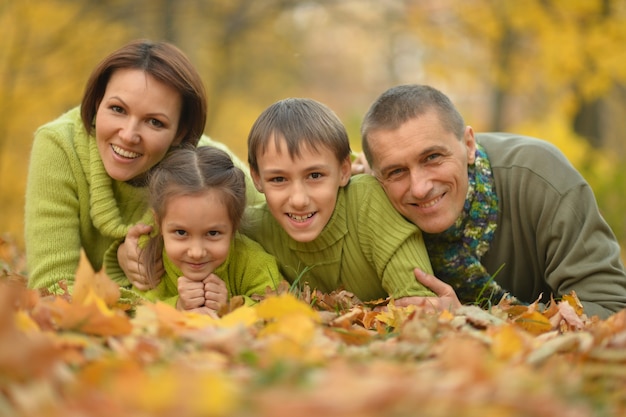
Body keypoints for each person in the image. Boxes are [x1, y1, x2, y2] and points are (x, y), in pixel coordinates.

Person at [359, 83, 626, 319]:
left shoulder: (542, 178)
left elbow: (609, 307)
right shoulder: (372, 200)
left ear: (469, 145)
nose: (419, 188)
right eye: (396, 171)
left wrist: (474, 318)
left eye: (432, 158)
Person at [24, 39, 260, 295]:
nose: (128, 135)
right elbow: (51, 289)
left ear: (180, 133)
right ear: (96, 103)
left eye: (154, 122)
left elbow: (275, 221)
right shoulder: (59, 145)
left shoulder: (205, 168)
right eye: (117, 109)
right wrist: (144, 300)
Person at [241, 97, 435, 304]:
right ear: (257, 179)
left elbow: (419, 302)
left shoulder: (365, 201)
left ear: (344, 170)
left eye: (315, 176)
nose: (298, 200)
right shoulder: (251, 228)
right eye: (278, 179)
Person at [120, 146, 281, 317]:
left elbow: (277, 308)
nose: (196, 252)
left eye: (212, 233)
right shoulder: (150, 259)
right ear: (159, 223)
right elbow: (136, 311)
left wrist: (231, 307)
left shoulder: (253, 263)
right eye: (181, 233)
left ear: (234, 224)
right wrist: (177, 307)